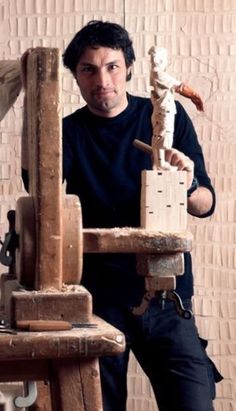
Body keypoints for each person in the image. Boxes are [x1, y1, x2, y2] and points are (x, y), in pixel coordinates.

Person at [23, 20, 222, 411]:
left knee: (194, 401)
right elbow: (39, 193)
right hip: (96, 301)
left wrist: (186, 184)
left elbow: (206, 203)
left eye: (112, 66)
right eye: (89, 69)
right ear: (76, 77)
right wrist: (33, 109)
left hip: (166, 295)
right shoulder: (66, 134)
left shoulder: (168, 116)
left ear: (129, 67)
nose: (102, 80)